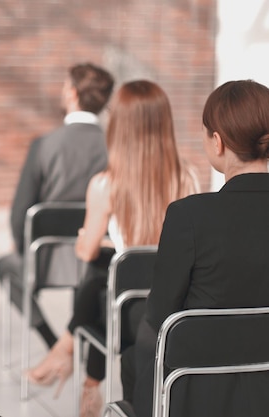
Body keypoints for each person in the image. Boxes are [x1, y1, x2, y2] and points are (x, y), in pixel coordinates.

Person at [26, 80, 198, 417]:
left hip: (127, 315)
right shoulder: (188, 176)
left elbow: (85, 252)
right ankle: (75, 356)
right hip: (176, 305)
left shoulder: (105, 183)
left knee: (99, 269)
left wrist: (89, 238)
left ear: (119, 124)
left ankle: (80, 364)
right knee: (111, 269)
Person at [125, 79, 269, 417]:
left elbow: (162, 314)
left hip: (197, 389)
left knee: (133, 359)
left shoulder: (188, 215)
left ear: (216, 142)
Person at [0, 63, 114, 349]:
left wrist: (23, 247)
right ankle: (81, 341)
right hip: (97, 259)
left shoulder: (45, 145)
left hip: (45, 261)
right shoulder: (115, 146)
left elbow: (20, 211)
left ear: (72, 93)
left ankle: (50, 339)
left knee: (4, 266)